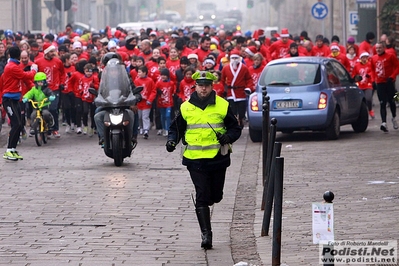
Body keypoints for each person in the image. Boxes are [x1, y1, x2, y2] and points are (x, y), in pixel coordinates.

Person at [165, 70, 242, 250]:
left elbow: (235, 128)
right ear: (195, 86)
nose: (204, 89)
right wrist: (172, 141)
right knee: (201, 195)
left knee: (215, 195)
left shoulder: (222, 105)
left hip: (217, 158)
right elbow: (176, 128)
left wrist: (228, 137)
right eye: (201, 85)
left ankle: (212, 199)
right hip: (195, 159)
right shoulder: (185, 107)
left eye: (207, 85)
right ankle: (206, 234)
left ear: (211, 86)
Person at [1, 46, 38, 161]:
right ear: (18, 56)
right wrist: (34, 70)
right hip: (9, 99)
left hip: (16, 99)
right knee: (16, 124)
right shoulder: (12, 67)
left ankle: (13, 148)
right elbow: (25, 76)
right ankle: (8, 150)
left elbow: (25, 80)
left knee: (19, 123)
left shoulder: (14, 66)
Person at [220, 49, 254, 128]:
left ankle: (241, 119)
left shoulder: (244, 68)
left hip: (241, 92)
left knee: (242, 111)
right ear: (230, 59)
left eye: (236, 58)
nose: (234, 60)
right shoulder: (226, 68)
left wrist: (249, 88)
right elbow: (222, 79)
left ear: (239, 58)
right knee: (232, 110)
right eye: (233, 58)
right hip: (230, 92)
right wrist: (223, 89)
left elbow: (249, 79)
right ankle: (235, 123)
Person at [370, 42, 399, 132]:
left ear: (384, 48)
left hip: (390, 82)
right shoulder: (373, 58)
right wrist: (373, 79)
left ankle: (394, 118)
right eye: (377, 48)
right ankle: (384, 123)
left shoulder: (390, 56)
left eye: (380, 48)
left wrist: (392, 76)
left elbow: (397, 66)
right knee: (382, 103)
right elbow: (372, 70)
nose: (378, 49)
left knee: (392, 101)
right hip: (380, 83)